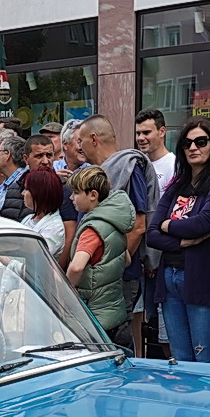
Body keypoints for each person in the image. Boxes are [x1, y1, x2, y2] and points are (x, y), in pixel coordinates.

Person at [146, 119, 210, 364]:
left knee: (205, 358)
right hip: (170, 278)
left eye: (200, 141)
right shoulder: (177, 184)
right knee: (180, 359)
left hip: (203, 279)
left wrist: (167, 226)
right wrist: (181, 242)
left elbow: (202, 224)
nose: (193, 147)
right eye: (187, 143)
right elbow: (152, 233)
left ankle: (209, 404)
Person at [77, 115, 158, 349]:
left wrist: (115, 264)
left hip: (120, 276)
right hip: (98, 278)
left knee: (116, 340)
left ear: (93, 139)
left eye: (81, 141)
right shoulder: (96, 172)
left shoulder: (129, 167)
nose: (79, 147)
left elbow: (139, 225)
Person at [65, 166, 134, 336]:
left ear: (93, 195)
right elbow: (126, 260)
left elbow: (76, 267)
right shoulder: (113, 222)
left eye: (76, 192)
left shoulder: (92, 230)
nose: (71, 197)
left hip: (94, 316)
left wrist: (64, 291)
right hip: (114, 310)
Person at [19, 167, 67, 259]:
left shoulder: (54, 228)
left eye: (26, 189)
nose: (23, 193)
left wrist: (4, 259)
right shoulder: (29, 218)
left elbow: (34, 261)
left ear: (39, 193)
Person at [135, 108, 174, 192]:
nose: (140, 138)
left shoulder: (173, 166)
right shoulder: (137, 163)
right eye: (138, 133)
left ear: (162, 132)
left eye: (146, 132)